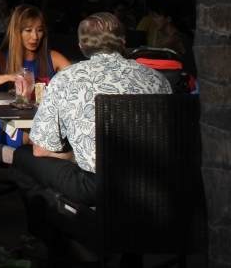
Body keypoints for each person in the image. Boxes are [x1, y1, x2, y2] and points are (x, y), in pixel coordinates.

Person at [12, 12, 170, 210]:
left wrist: (73, 156)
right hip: (155, 181)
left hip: (98, 187)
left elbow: (41, 149)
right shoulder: (157, 78)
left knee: (23, 156)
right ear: (123, 41)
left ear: (81, 46)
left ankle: (58, 225)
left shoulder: (67, 78)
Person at [0, 5, 73, 91]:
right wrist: (8, 77)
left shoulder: (53, 57)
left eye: (39, 30)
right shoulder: (1, 58)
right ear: (17, 32)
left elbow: (77, 80)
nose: (35, 37)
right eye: (28, 30)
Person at [150, 0, 197, 77]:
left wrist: (129, 51)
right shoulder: (176, 36)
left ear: (168, 19)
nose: (153, 20)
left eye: (157, 16)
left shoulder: (174, 39)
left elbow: (150, 52)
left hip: (190, 81)